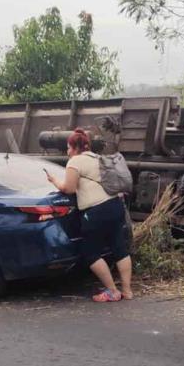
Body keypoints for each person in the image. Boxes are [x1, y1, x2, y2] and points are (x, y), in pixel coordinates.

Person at [47, 128, 133, 302]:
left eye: (68, 148)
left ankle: (112, 291)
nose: (67, 151)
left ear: (74, 147)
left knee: (90, 252)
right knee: (119, 248)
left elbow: (69, 188)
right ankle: (127, 291)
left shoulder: (75, 161)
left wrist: (54, 180)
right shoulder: (97, 158)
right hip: (116, 206)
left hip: (96, 211)